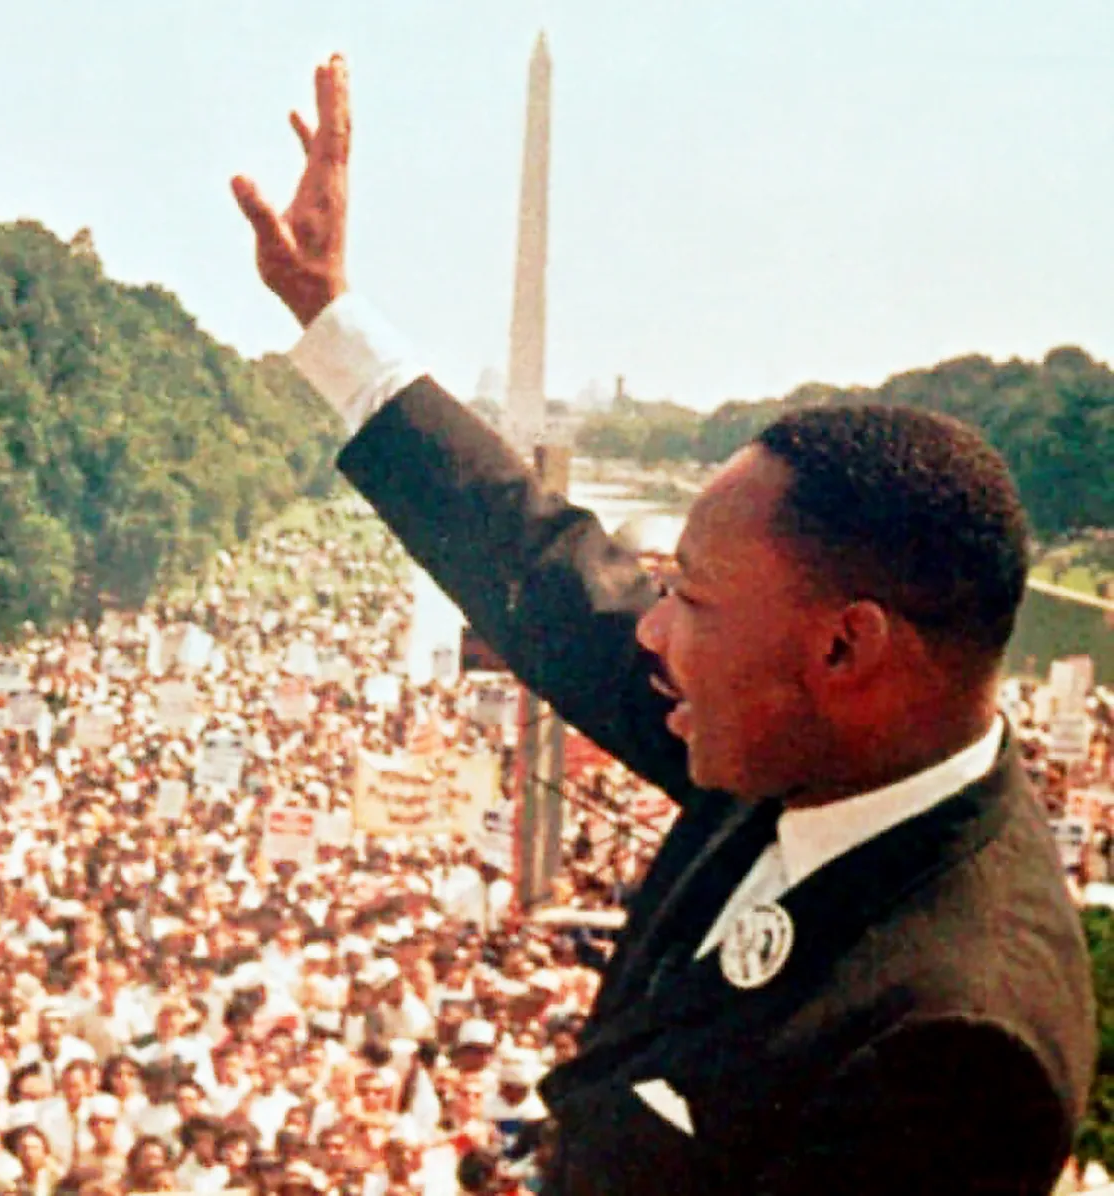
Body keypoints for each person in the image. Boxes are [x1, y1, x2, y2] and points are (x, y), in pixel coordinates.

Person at [233, 53, 1097, 1194]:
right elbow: (546, 571)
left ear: (844, 646)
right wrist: (330, 316)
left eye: (689, 595)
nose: (648, 631)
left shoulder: (955, 1043)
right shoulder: (822, 743)